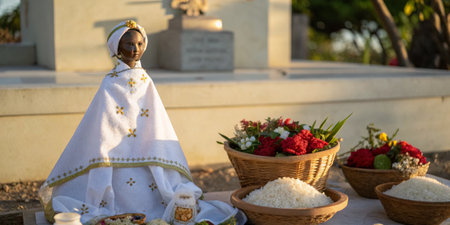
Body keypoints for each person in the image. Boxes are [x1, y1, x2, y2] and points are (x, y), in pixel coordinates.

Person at [39, 20, 243, 225]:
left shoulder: (146, 80)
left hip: (147, 150)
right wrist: (111, 141)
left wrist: (148, 140)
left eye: (139, 44)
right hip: (112, 151)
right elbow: (102, 117)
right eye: (129, 44)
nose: (135, 49)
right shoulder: (109, 82)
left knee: (161, 186)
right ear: (118, 48)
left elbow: (154, 115)